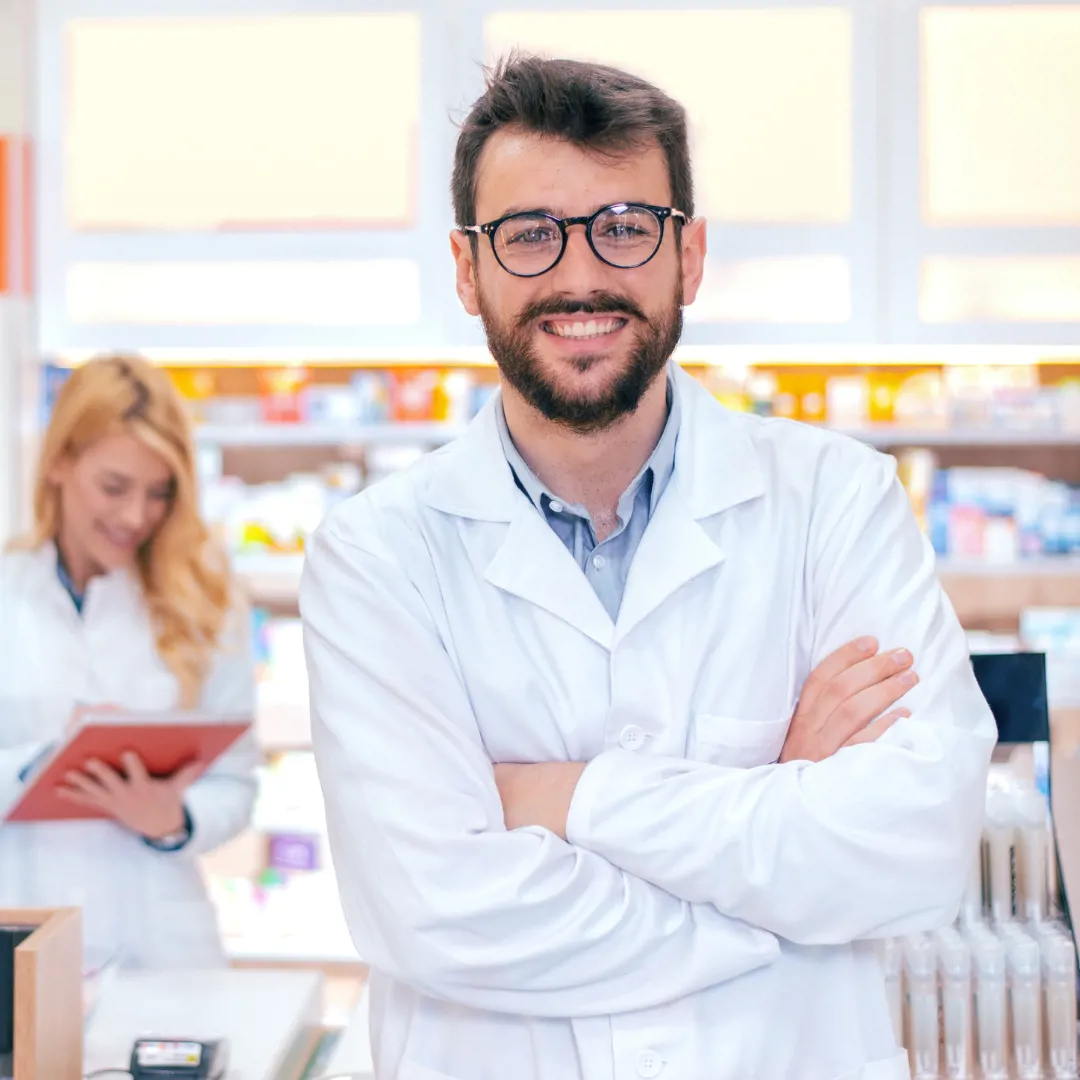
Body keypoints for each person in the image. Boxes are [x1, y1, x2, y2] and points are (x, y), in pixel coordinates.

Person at [301, 56, 996, 1080]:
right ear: (466, 269)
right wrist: (773, 834)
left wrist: (573, 798)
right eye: (530, 234)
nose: (580, 276)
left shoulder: (836, 502)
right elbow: (436, 913)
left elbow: (918, 849)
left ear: (691, 255)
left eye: (624, 226)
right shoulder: (377, 556)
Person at [0, 354, 257, 970]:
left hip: (164, 950)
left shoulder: (204, 601)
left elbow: (237, 787)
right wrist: (45, 760)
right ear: (59, 462)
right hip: (23, 941)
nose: (135, 516)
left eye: (158, 493)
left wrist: (173, 819)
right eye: (114, 487)